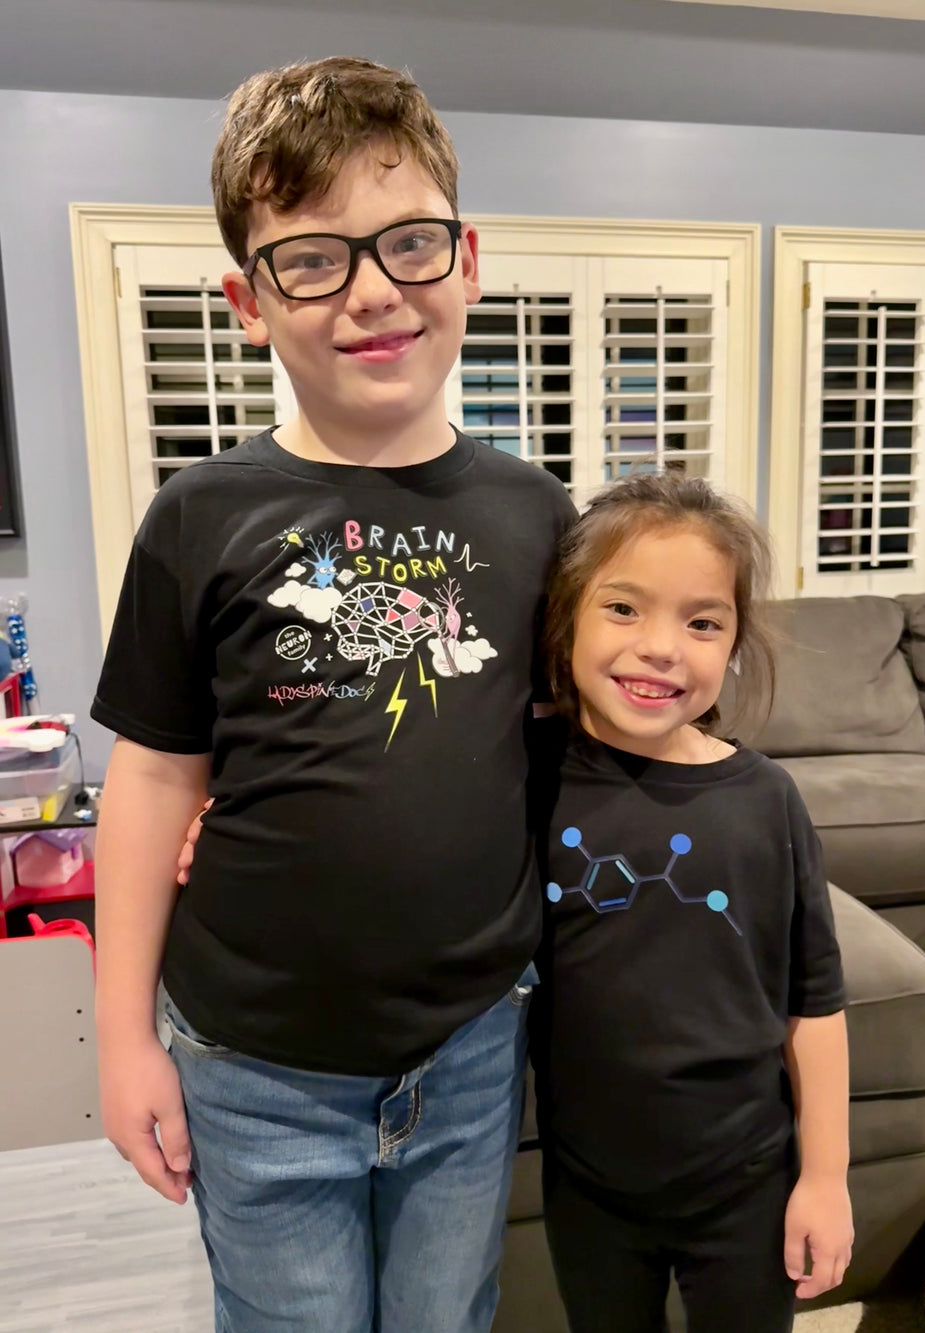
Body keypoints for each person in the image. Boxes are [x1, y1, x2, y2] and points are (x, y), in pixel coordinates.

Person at [90, 56, 576, 1333]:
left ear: (466, 260)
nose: (372, 292)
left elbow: (569, 749)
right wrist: (121, 1034)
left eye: (408, 243)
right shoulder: (199, 516)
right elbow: (150, 777)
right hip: (252, 1065)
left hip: (471, 1046)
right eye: (313, 259)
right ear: (249, 300)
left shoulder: (537, 517)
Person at [531, 471, 854, 1333]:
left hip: (746, 1184)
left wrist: (824, 1178)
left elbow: (813, 1002)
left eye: (702, 621)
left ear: (735, 642)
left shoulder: (766, 800)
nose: (662, 647)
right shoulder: (524, 781)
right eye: (624, 609)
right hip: (588, 1188)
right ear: (567, 619)